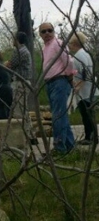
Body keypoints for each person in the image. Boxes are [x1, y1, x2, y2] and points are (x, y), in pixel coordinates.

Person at [39, 22, 76, 154]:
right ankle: (70, 147)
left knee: (58, 116)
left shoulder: (58, 43)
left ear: (54, 31)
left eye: (50, 30)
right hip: (50, 83)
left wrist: (70, 76)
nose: (47, 33)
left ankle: (59, 148)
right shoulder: (44, 48)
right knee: (61, 115)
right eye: (44, 31)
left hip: (59, 81)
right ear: (40, 34)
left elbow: (68, 61)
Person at [5, 31, 37, 144]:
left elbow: (9, 65)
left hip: (20, 83)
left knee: (19, 111)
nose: (12, 41)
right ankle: (31, 135)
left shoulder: (20, 51)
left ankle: (24, 136)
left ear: (17, 39)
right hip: (23, 82)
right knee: (24, 110)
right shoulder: (24, 51)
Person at [68, 31, 98, 145]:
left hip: (85, 90)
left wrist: (78, 85)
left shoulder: (79, 55)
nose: (69, 46)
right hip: (90, 88)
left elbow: (85, 72)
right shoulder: (86, 54)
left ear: (75, 43)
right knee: (90, 114)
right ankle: (93, 136)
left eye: (70, 43)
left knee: (86, 114)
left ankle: (89, 137)